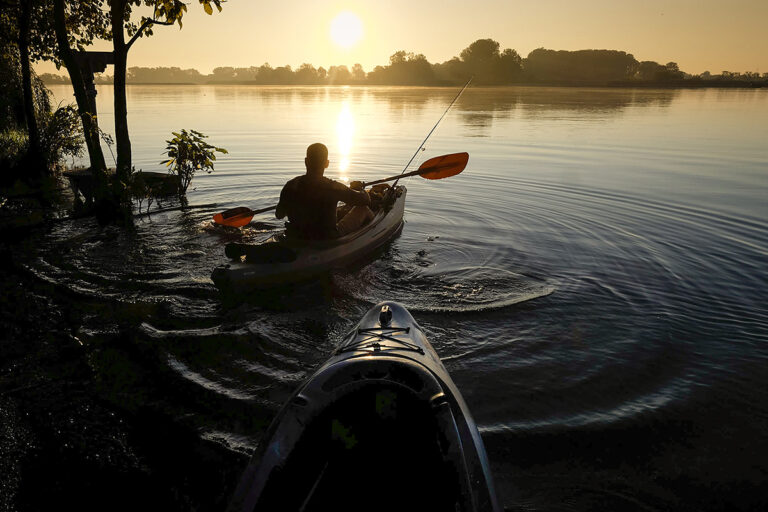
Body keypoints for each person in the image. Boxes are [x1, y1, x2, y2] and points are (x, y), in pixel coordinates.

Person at [276, 143, 374, 240]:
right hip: (328, 238)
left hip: (297, 236)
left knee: (340, 211)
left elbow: (279, 215)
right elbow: (365, 200)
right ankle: (375, 227)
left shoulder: (291, 185)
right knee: (363, 209)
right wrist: (360, 189)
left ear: (306, 161)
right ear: (326, 163)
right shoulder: (333, 187)